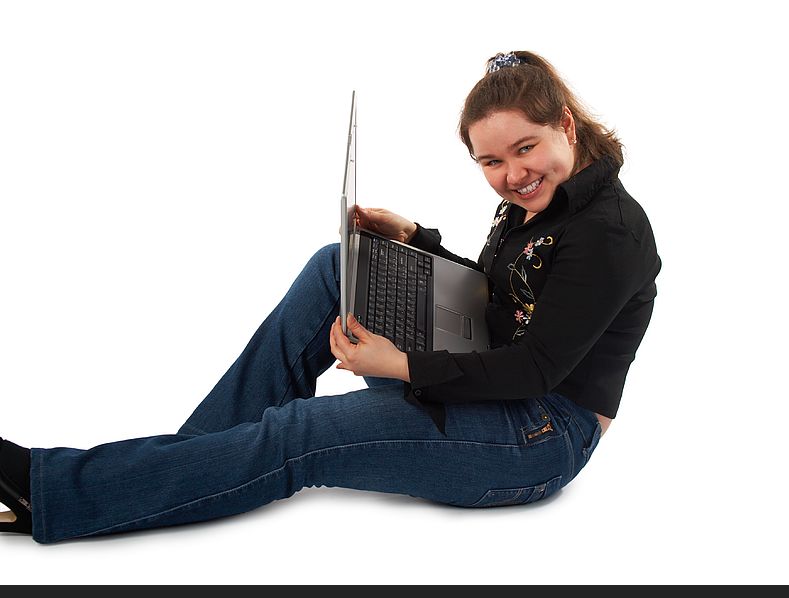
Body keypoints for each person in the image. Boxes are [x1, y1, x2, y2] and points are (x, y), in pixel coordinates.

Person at [0, 51, 661, 543]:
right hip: (486, 366)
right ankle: (195, 462)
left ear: (565, 127)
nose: (513, 174)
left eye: (526, 148)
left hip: (537, 431)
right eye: (491, 162)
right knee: (337, 266)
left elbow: (536, 366)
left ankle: (49, 487)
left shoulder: (609, 232)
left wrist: (396, 365)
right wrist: (411, 237)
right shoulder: (542, 199)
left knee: (301, 434)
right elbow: (500, 295)